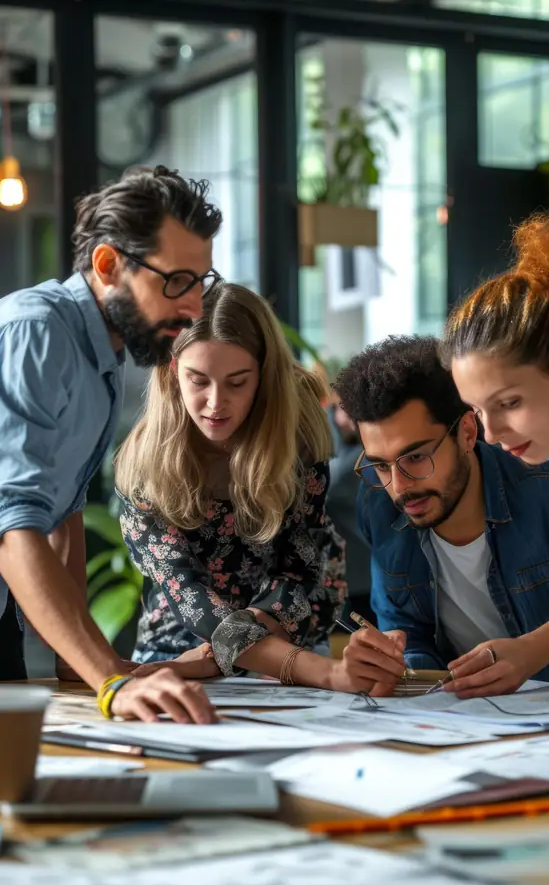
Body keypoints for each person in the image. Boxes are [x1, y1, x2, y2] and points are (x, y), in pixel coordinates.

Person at [0, 163, 222, 723]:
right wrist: (109, 679)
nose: (195, 307)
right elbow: (13, 518)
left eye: (201, 282)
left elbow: (63, 515)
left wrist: (87, 666)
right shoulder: (37, 331)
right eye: (176, 281)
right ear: (107, 266)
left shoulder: (103, 356)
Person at [116, 281, 405, 694]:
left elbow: (301, 567)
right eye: (198, 381)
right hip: (181, 648)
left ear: (264, 376)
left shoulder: (297, 429)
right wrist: (325, 674)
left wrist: (223, 660)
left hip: (285, 631)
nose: (216, 403)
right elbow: (189, 595)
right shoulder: (145, 464)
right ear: (172, 369)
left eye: (237, 382)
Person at [334, 334, 549, 689]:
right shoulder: (379, 504)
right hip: (475, 721)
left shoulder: (546, 474)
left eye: (416, 457)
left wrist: (532, 651)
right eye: (382, 466)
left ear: (467, 431)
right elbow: (408, 630)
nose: (399, 487)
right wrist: (390, 662)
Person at [441, 211, 549, 707]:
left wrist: (531, 650)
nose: (491, 433)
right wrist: (530, 652)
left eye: (509, 403)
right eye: (478, 411)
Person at [328, 402, 375, 624]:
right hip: (349, 574)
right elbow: (333, 484)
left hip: (362, 569)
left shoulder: (356, 450)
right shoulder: (354, 454)